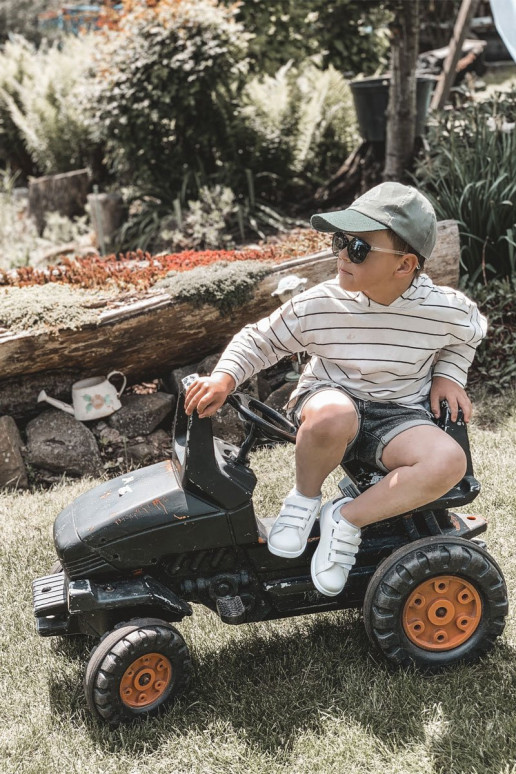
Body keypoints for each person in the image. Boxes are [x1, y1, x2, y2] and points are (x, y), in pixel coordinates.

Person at [184, 182, 486, 597]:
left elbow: (467, 336)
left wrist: (448, 375)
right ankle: (303, 500)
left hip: (399, 414)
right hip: (330, 395)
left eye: (359, 248)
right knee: (332, 414)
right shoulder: (321, 304)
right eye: (339, 241)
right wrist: (225, 377)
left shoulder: (444, 310)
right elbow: (260, 340)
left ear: (404, 265)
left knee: (449, 461)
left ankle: (346, 519)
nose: (342, 254)